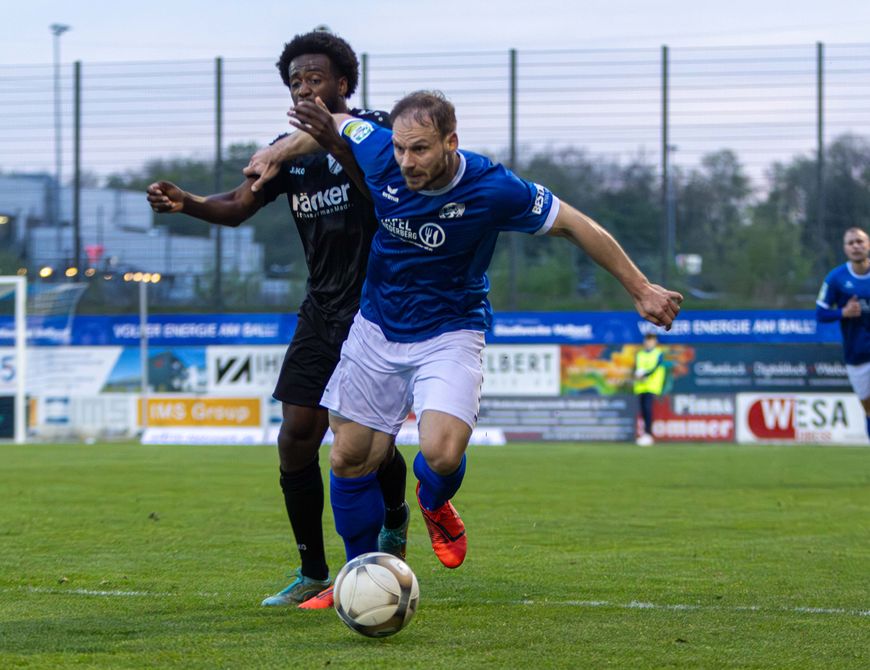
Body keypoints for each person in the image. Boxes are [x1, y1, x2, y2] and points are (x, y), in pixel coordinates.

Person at [244, 90, 683, 607]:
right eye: (402, 149)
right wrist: (277, 152)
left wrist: (641, 288)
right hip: (378, 327)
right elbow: (337, 123)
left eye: (421, 150)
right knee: (348, 457)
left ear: (451, 142)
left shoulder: (492, 187)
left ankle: (433, 500)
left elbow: (574, 223)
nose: (406, 161)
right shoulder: (378, 147)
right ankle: (359, 580)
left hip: (450, 330)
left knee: (442, 452)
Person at [145, 30, 409, 610]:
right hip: (321, 307)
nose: (305, 87)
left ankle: (392, 519)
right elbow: (239, 206)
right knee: (295, 438)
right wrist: (187, 202)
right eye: (295, 82)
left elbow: (379, 190)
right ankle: (313, 571)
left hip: (377, 307)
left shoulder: (377, 130)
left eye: (315, 78)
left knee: (358, 440)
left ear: (343, 83)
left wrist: (328, 142)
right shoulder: (282, 154)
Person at [816, 226, 870, 440]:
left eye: (860, 241)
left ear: (868, 244)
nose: (856, 246)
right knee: (868, 409)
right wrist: (843, 312)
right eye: (851, 243)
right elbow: (820, 314)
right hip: (857, 354)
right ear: (845, 249)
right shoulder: (836, 278)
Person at [633, 332, 666, 446]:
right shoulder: (640, 354)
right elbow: (637, 367)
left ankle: (648, 434)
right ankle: (644, 434)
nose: (649, 342)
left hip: (652, 386)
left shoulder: (658, 354)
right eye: (647, 340)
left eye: (651, 340)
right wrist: (638, 374)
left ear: (655, 342)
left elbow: (655, 368)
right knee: (643, 411)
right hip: (640, 386)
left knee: (648, 410)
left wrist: (645, 375)